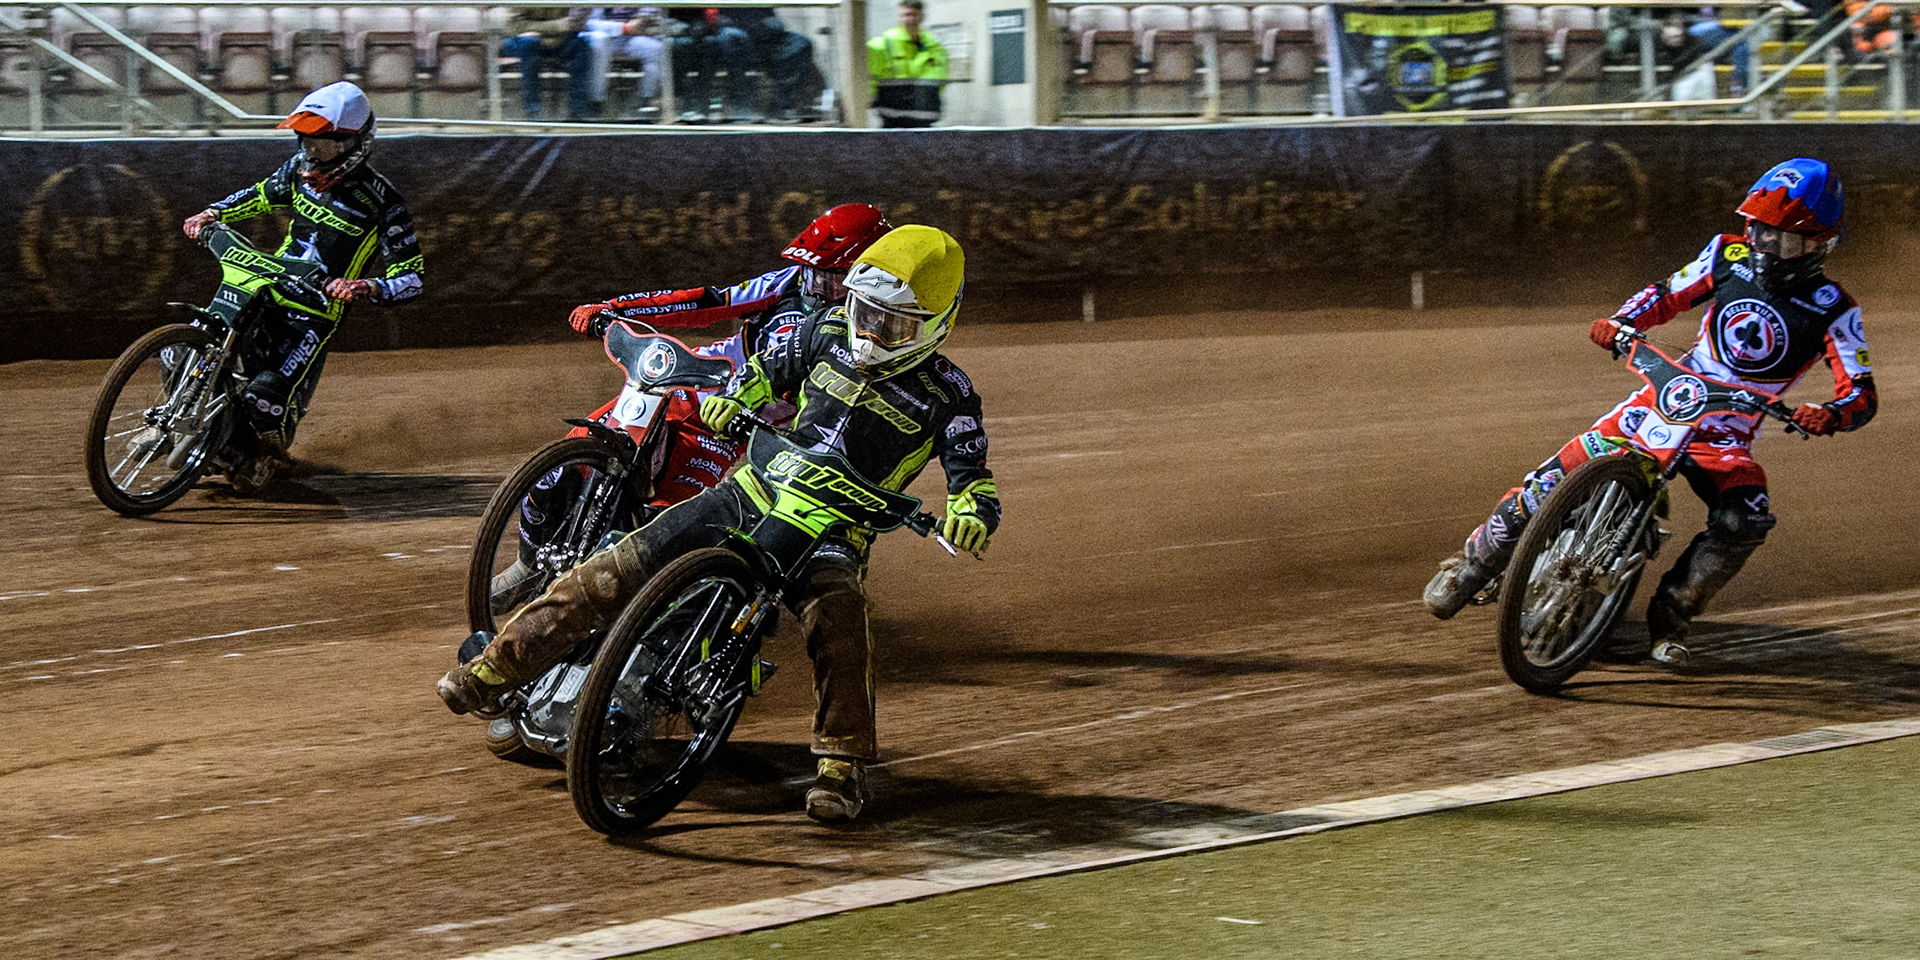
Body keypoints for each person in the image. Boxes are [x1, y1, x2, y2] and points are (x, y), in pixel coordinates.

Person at [439, 225, 1000, 823]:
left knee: (840, 626)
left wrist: (970, 512)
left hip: (834, 533)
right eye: (865, 313)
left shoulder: (951, 395)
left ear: (938, 324)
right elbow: (762, 371)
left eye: (893, 326)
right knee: (615, 566)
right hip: (750, 491)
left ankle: (842, 767)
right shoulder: (825, 329)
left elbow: (973, 476)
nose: (870, 334)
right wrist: (736, 397)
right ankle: (495, 669)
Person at [1423, 158, 1874, 664]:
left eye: (1782, 239)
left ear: (1819, 245)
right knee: (1553, 478)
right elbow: (1666, 293)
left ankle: (1673, 612)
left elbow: (1861, 392)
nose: (1766, 246)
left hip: (1725, 434)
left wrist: (1831, 414)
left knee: (1746, 518)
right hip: (1667, 398)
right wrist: (1622, 322)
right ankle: (1472, 567)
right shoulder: (1727, 254)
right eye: (1759, 230)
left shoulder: (1837, 309)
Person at [487, 203, 894, 608]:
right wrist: (614, 309)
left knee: (665, 527)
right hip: (690, 380)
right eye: (814, 272)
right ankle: (528, 567)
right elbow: (706, 302)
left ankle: (637, 615)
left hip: (736, 426)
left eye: (834, 279)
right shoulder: (787, 283)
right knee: (565, 461)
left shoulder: (870, 334)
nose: (818, 287)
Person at [180, 81, 424, 492]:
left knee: (263, 399)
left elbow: (412, 278)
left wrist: (365, 286)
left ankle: (267, 455)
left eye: (323, 146)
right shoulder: (296, 169)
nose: (312, 154)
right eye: (307, 142)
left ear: (354, 144)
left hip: (314, 313)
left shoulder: (384, 203)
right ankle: (183, 418)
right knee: (184, 349)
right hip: (269, 283)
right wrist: (213, 212)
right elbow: (260, 195)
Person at [503, 6, 596, 120]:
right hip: (523, 42)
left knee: (581, 47)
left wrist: (545, 35)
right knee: (529, 44)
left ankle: (577, 115)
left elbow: (574, 23)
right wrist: (555, 26)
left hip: (558, 39)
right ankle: (533, 113)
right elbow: (515, 27)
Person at [868, 0, 949, 128]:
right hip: (893, 121)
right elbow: (870, 79)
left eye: (914, 15)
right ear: (899, 17)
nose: (910, 19)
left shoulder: (935, 46)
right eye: (906, 15)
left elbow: (941, 79)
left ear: (922, 16)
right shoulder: (882, 45)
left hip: (926, 119)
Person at [583, 7, 666, 121]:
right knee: (600, 41)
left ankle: (645, 100)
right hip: (605, 36)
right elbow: (588, 23)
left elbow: (651, 13)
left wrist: (644, 20)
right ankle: (595, 102)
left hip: (632, 38)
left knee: (655, 49)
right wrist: (622, 27)